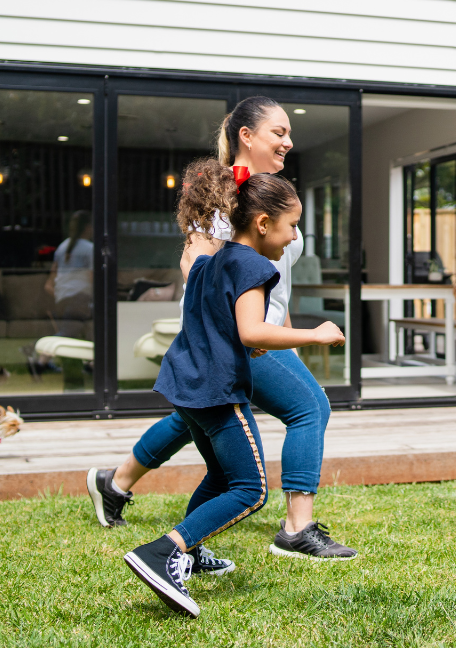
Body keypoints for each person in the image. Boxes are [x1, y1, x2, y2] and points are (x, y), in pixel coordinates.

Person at [89, 96, 357, 566]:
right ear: (246, 136)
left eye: (289, 133)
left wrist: (288, 334)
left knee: (196, 419)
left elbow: (279, 284)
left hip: (260, 330)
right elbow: (195, 265)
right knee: (308, 407)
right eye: (279, 132)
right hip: (235, 335)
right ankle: (297, 528)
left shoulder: (270, 195)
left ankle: (115, 483)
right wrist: (233, 334)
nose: (288, 141)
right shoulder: (222, 196)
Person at [124, 172, 345, 618]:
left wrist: (251, 338)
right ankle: (163, 552)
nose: (295, 236)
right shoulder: (256, 267)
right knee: (250, 489)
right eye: (291, 225)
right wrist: (317, 334)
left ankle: (189, 552)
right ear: (263, 223)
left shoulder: (214, 260)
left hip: (183, 383)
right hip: (216, 391)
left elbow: (217, 319)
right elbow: (250, 330)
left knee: (222, 477)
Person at [45, 209, 93, 337]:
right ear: (88, 227)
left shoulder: (61, 248)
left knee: (75, 332)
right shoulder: (89, 249)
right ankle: (38, 352)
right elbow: (92, 279)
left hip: (62, 301)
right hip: (80, 300)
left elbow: (49, 284)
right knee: (68, 334)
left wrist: (62, 295)